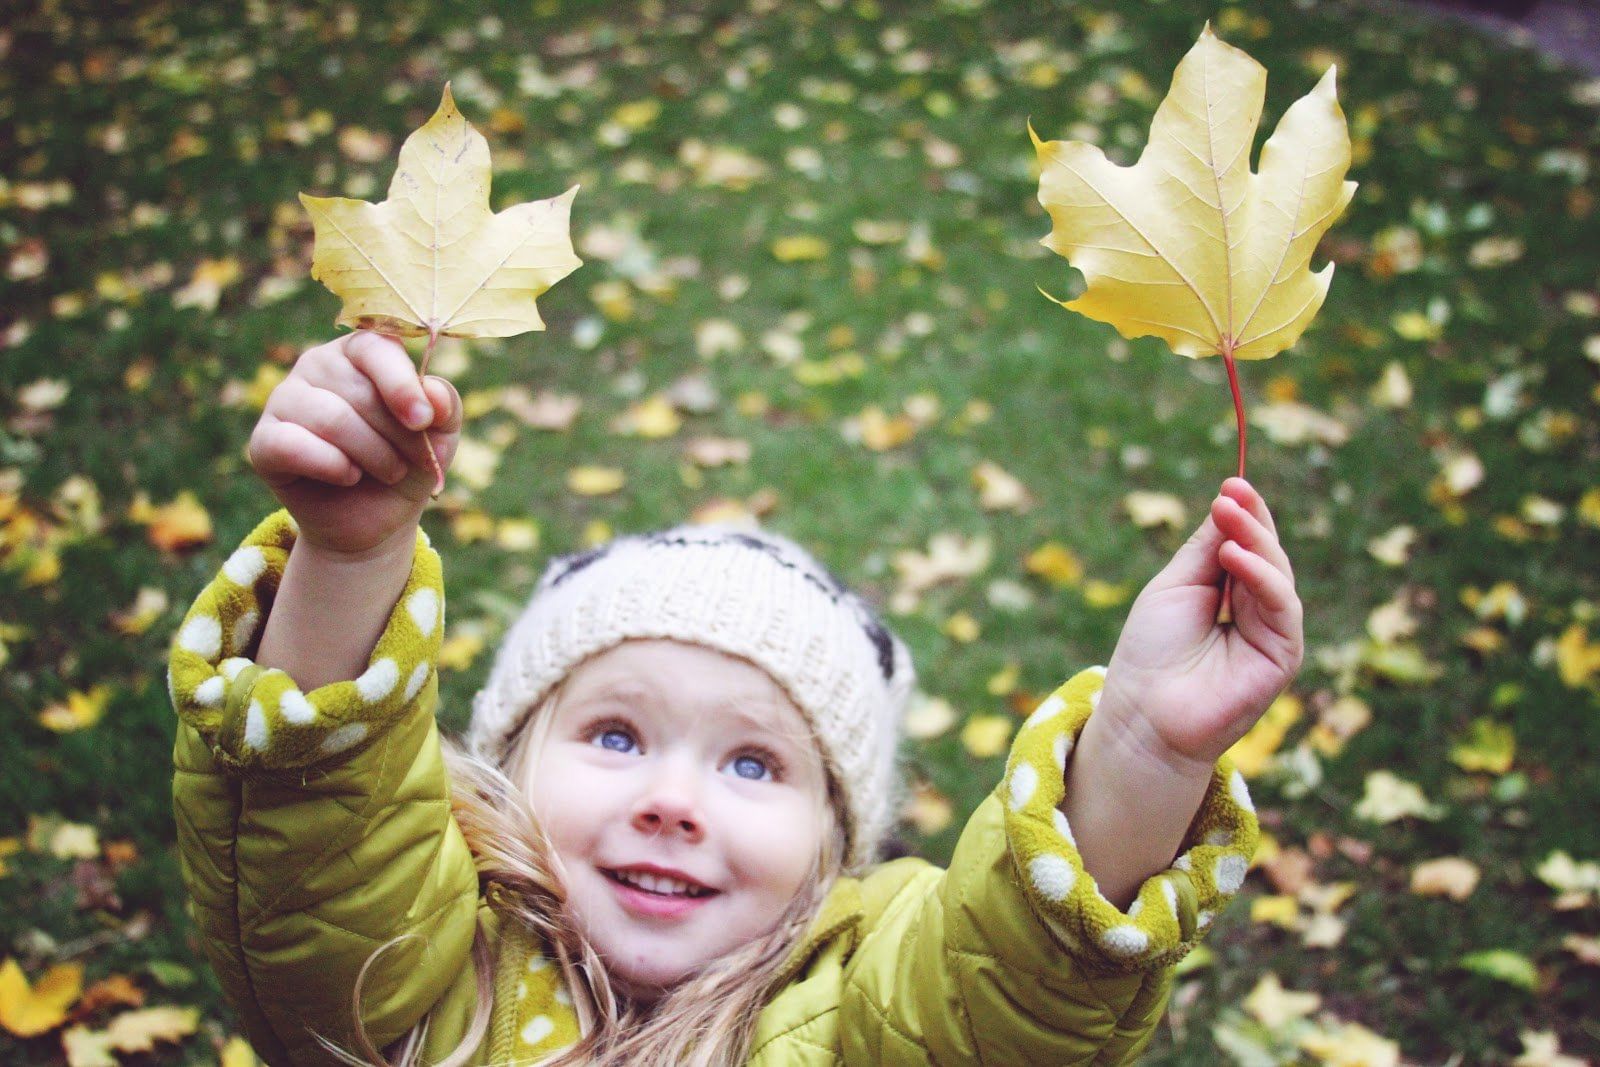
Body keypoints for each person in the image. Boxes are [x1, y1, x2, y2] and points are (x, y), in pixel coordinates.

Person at [168, 330, 1302, 1065]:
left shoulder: (861, 1003)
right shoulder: (417, 961)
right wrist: (351, 557)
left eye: (753, 763)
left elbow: (1008, 989)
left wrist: (1145, 747)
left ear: (836, 837)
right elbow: (319, 838)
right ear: (510, 758)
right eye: (614, 731)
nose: (672, 800)